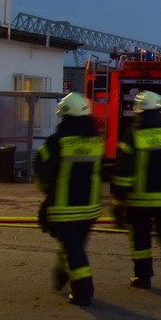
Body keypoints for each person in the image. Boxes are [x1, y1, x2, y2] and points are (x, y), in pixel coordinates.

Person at [112, 91, 161, 294]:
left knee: (140, 238)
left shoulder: (133, 135)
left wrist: (120, 197)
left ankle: (143, 276)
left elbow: (123, 169)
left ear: (139, 112)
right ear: (159, 110)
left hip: (139, 200)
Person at [34, 92, 104, 307]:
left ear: (64, 115)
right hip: (90, 207)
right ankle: (62, 275)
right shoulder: (96, 141)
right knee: (74, 246)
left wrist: (49, 194)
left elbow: (42, 172)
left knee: (73, 250)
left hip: (65, 207)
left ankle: (83, 291)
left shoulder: (57, 141)